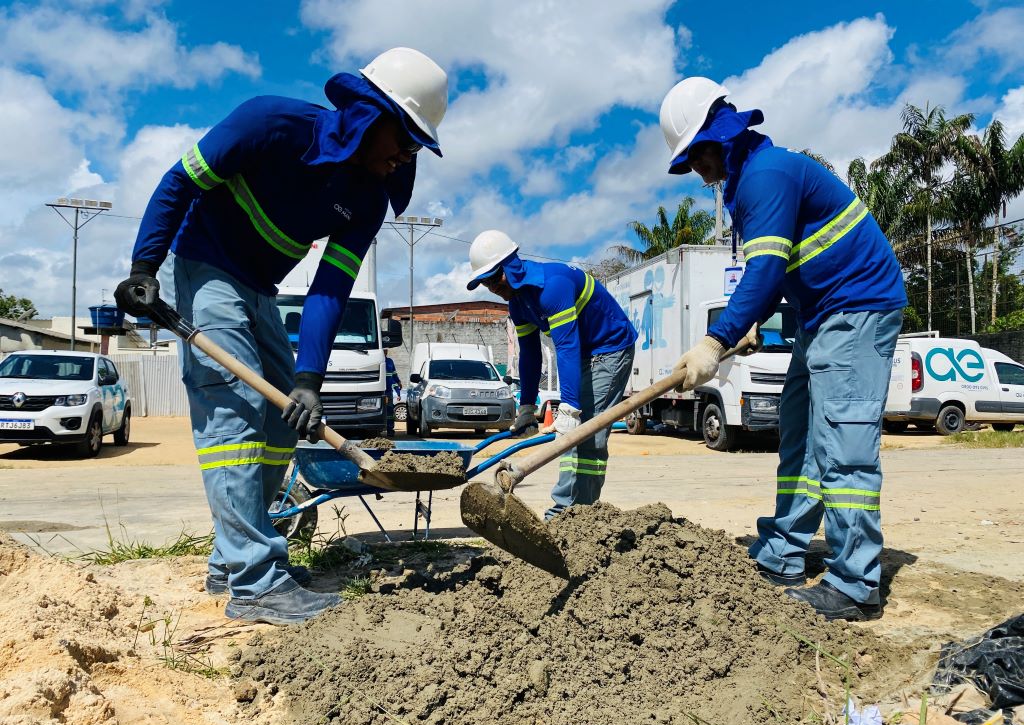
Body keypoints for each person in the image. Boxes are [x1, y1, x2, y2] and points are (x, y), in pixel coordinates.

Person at [114, 48, 448, 625]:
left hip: (261, 289)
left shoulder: (366, 199)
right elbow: (177, 183)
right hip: (204, 265)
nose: (406, 156)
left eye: (417, 147)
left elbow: (328, 290)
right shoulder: (269, 124)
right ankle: (255, 583)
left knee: (282, 422)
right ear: (372, 114)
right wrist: (145, 267)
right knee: (235, 413)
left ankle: (234, 559)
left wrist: (308, 379)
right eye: (407, 138)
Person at [658, 77, 907, 621]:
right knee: (799, 435)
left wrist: (715, 339)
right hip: (818, 317)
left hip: (858, 309)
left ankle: (854, 583)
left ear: (717, 139)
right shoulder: (750, 181)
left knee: (841, 444)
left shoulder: (766, 177)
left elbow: (767, 268)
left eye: (696, 157)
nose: (697, 173)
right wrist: (752, 322)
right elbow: (775, 272)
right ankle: (784, 551)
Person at [466, 230, 638, 519]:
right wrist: (527, 406)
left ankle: (573, 515)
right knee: (571, 435)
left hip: (610, 349)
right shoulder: (518, 304)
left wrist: (569, 408)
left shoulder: (552, 287)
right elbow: (530, 354)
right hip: (583, 354)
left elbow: (566, 345)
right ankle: (570, 512)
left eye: (495, 278)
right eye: (485, 283)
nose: (492, 287)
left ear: (511, 266)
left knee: (586, 433)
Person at [384, 349, 402, 438]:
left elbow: (393, 375)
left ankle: (390, 430)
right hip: (377, 392)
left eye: (386, 350)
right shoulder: (376, 360)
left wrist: (398, 383)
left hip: (388, 392)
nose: (385, 352)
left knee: (389, 412)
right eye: (384, 350)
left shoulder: (390, 361)